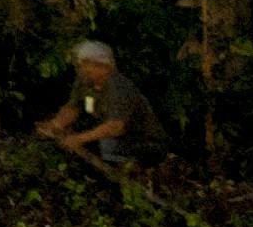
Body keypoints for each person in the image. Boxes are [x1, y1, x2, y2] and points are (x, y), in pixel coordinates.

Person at [38, 39, 164, 169]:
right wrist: (55, 125)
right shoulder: (85, 83)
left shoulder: (118, 87)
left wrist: (78, 139)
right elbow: (74, 107)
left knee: (106, 143)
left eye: (85, 65)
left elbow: (115, 126)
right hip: (111, 136)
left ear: (102, 66)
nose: (81, 69)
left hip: (141, 142)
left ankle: (127, 171)